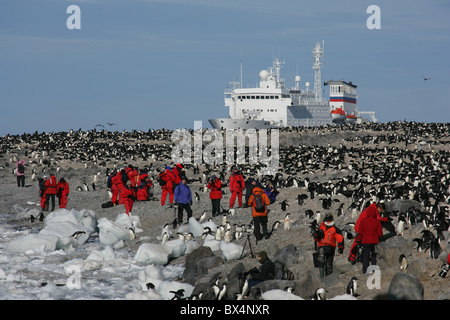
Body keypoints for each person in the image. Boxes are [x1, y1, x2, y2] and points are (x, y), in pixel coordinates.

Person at [314, 214, 344, 278]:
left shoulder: (334, 229)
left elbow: (340, 238)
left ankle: (328, 278)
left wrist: (341, 247)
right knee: (321, 263)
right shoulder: (321, 227)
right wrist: (317, 235)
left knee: (328, 264)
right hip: (322, 246)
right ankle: (323, 278)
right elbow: (316, 238)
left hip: (330, 247)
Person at [358, 207, 383, 273]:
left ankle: (365, 270)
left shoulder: (363, 221)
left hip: (366, 241)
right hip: (374, 241)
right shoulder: (377, 222)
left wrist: (359, 241)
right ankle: (374, 269)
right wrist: (377, 237)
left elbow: (360, 232)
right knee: (373, 255)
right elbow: (380, 233)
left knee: (365, 256)